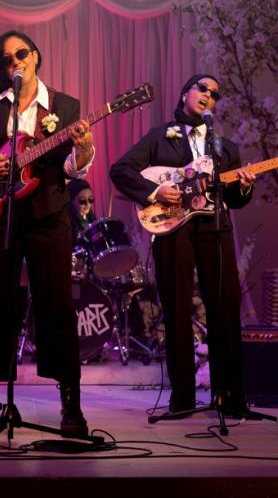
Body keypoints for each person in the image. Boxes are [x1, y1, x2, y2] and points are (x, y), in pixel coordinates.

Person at [0, 30, 95, 437]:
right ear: (1, 67)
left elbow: (71, 169)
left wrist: (82, 151)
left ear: (36, 56)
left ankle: (71, 407)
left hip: (48, 215)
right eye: (6, 58)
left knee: (57, 307)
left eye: (22, 53)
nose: (16, 62)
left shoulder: (65, 106)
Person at [109, 74, 256, 415]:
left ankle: (229, 396)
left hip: (215, 227)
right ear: (185, 92)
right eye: (203, 88)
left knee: (224, 307)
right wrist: (155, 191)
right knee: (176, 310)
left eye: (215, 94)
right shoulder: (161, 136)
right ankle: (182, 399)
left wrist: (244, 186)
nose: (209, 96)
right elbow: (121, 170)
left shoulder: (225, 148)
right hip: (173, 229)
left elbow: (235, 199)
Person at [65, 178, 97, 247]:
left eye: (91, 199)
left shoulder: (91, 217)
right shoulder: (66, 222)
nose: (88, 204)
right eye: (82, 201)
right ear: (71, 200)